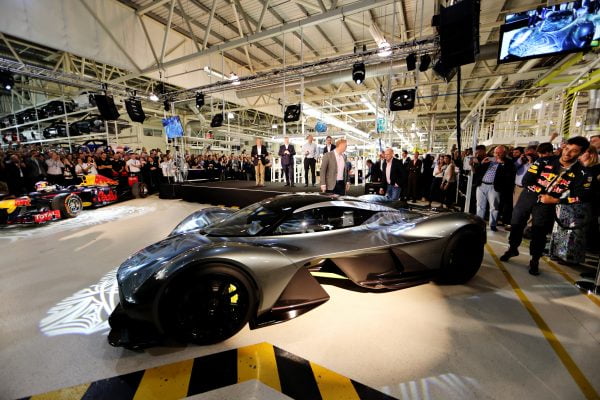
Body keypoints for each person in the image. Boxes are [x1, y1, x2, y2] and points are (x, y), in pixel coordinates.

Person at [500, 136, 591, 276]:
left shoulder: (582, 173)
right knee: (516, 223)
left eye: (574, 151)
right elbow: (526, 181)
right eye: (566, 148)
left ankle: (534, 260)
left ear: (581, 153)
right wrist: (541, 194)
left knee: (539, 233)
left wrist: (555, 200)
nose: (567, 153)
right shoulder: (543, 161)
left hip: (548, 205)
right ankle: (513, 248)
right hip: (528, 197)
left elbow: (580, 197)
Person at [473, 145, 515, 231]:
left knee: (494, 207)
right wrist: (482, 164)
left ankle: (493, 224)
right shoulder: (489, 160)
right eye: (496, 152)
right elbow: (478, 171)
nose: (497, 154)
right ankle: (479, 223)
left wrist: (502, 163)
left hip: (494, 186)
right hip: (482, 185)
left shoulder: (508, 162)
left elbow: (510, 174)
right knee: (480, 206)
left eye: (500, 153)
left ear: (505, 153)